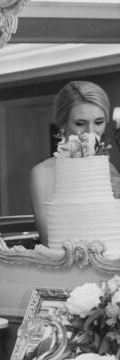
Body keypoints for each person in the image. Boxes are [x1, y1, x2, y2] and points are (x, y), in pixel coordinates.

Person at [29, 79, 120, 244]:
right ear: (62, 123)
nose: (91, 132)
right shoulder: (43, 173)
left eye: (98, 122)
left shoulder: (109, 170)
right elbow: (50, 241)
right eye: (80, 123)